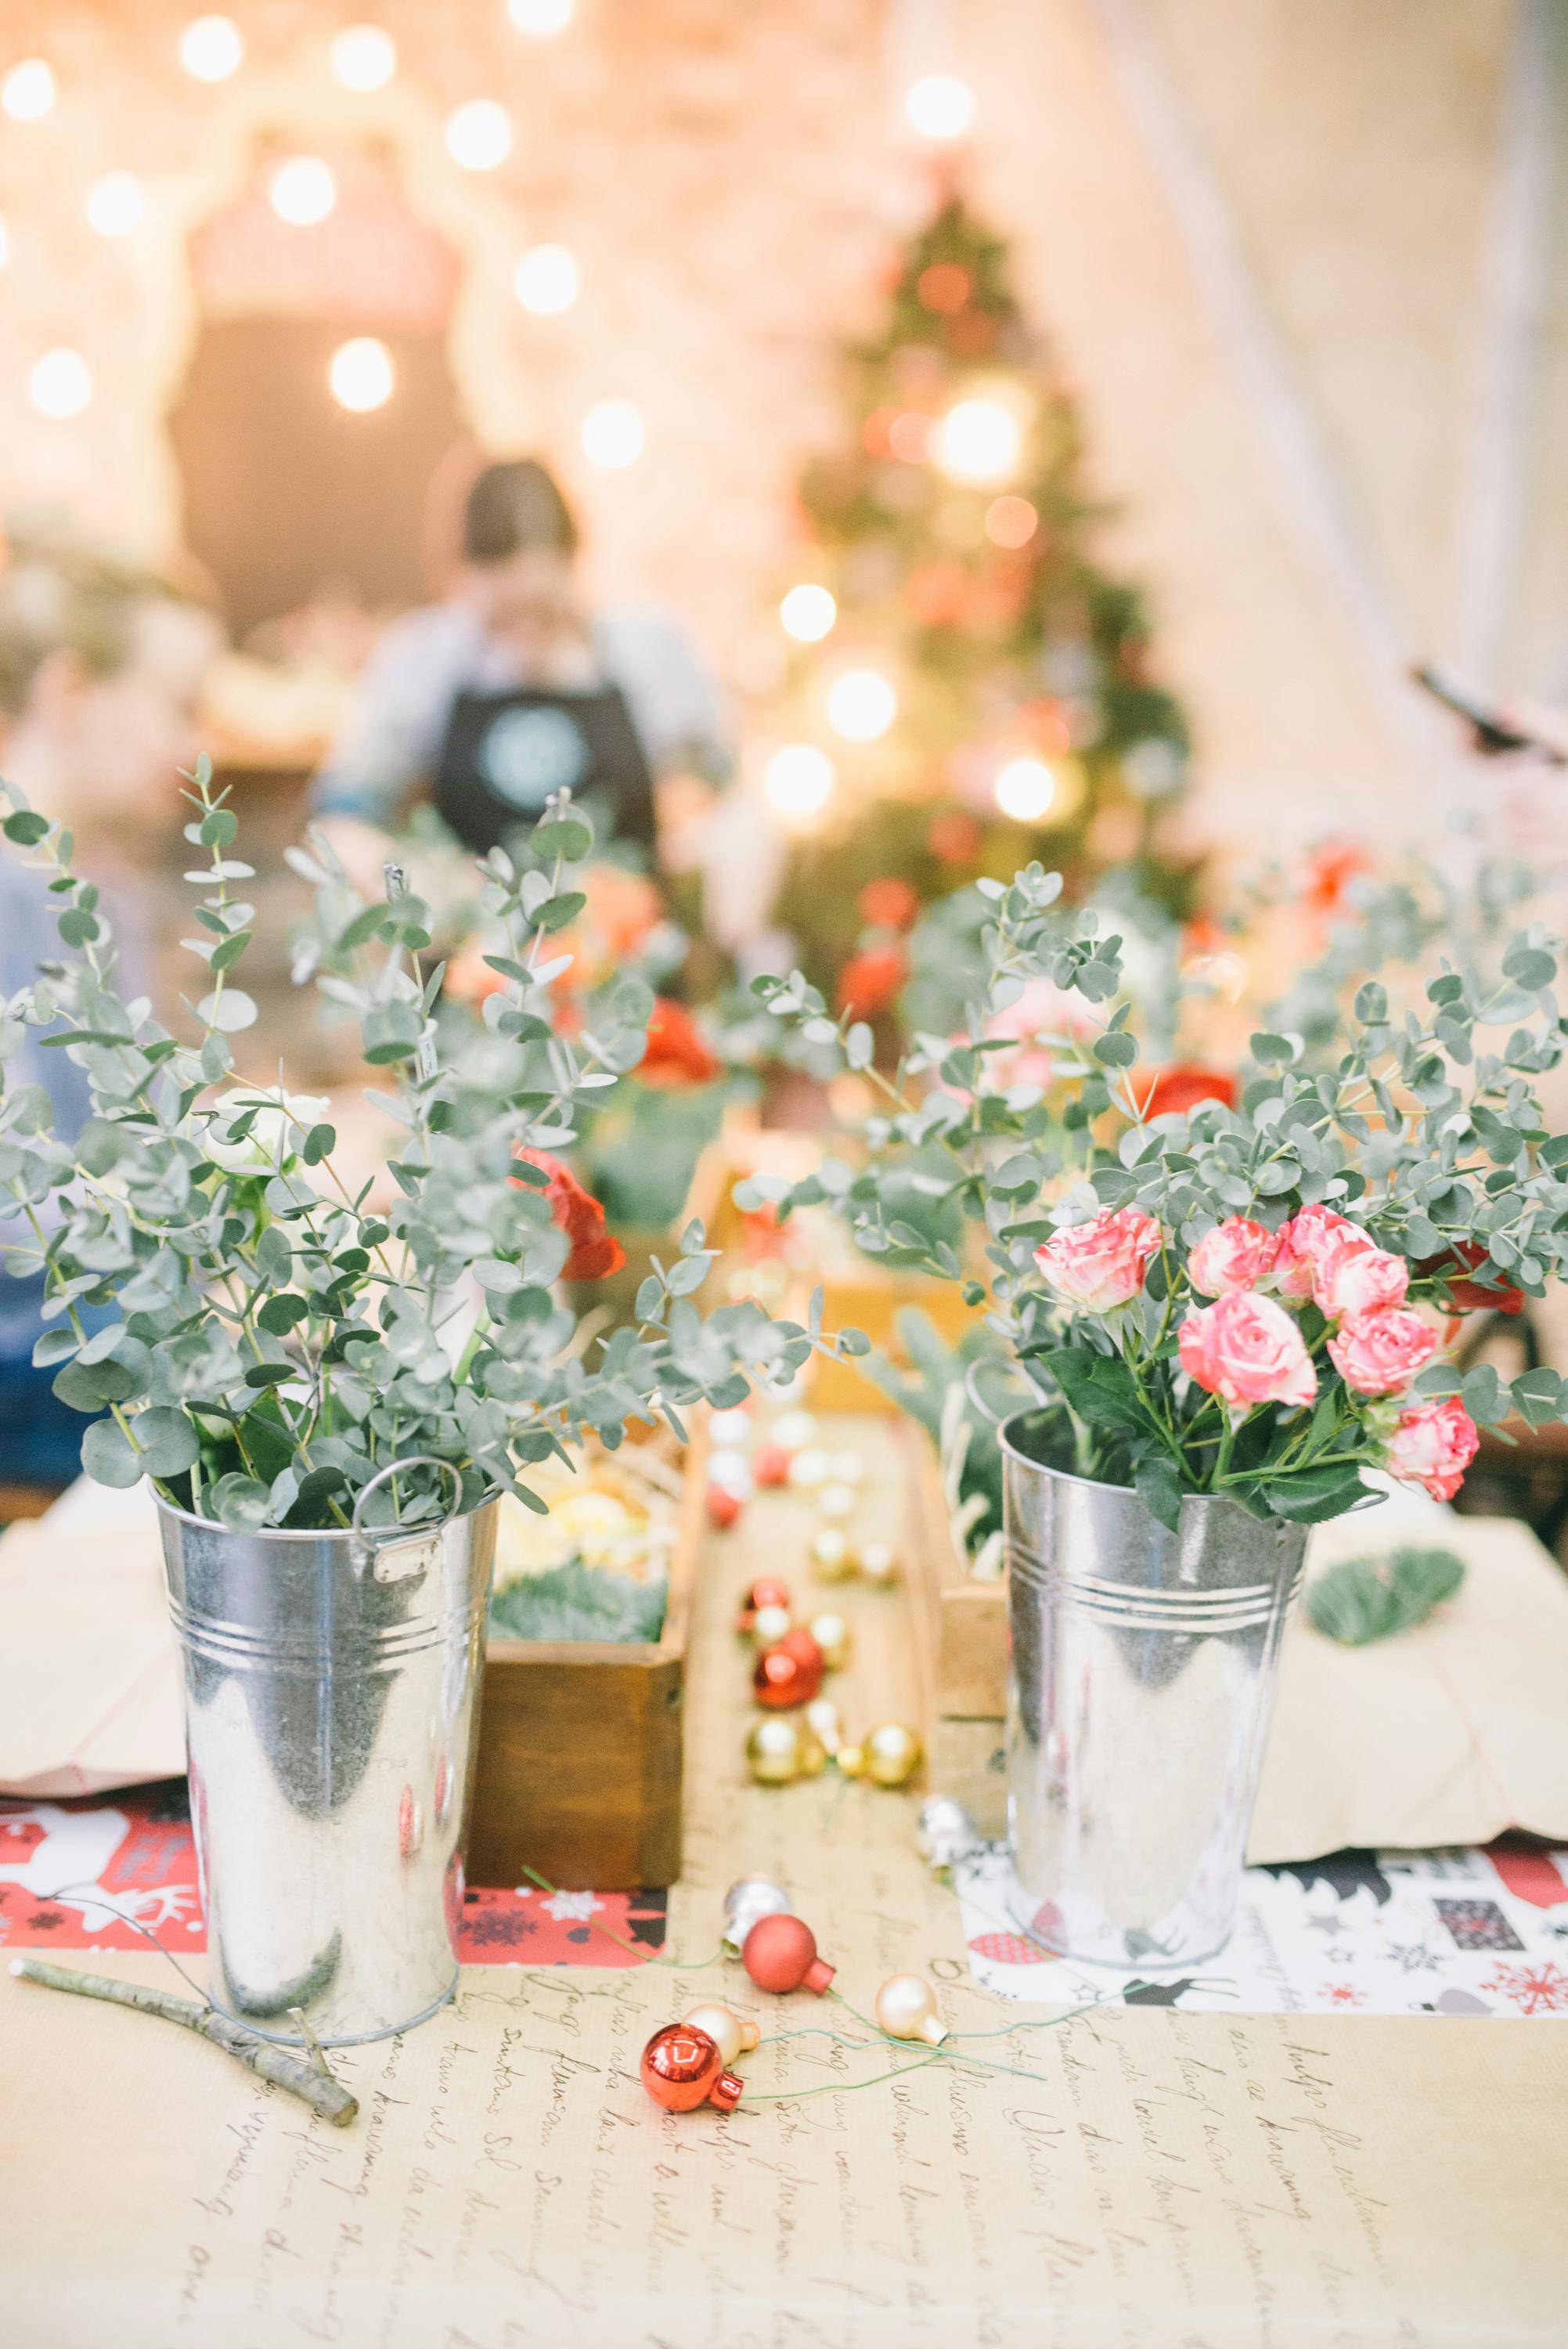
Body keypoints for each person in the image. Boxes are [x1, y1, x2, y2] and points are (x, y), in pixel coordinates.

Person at [0, 523, 220, 1485]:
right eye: (175, 704)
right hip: (31, 1375)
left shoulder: (99, 901)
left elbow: (131, 1147)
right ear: (70, 692)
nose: (193, 745)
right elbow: (24, 1235)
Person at [311, 456, 731, 865]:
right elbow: (343, 819)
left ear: (574, 563)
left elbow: (719, 790)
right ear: (460, 576)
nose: (527, 633)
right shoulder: (421, 659)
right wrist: (418, 885)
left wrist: (695, 840)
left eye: (544, 611)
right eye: (506, 616)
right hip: (468, 932)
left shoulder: (646, 647)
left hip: (624, 928)